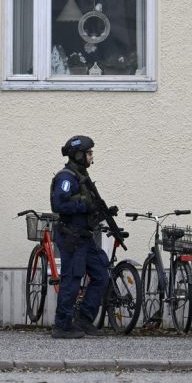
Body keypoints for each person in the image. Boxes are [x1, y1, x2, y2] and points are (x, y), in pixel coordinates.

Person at [50, 135, 110, 339]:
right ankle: (62, 325)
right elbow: (59, 204)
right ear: (78, 154)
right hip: (72, 237)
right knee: (73, 278)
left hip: (85, 236)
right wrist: (86, 205)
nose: (92, 157)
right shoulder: (66, 177)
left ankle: (84, 319)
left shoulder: (81, 176)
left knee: (102, 273)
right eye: (89, 153)